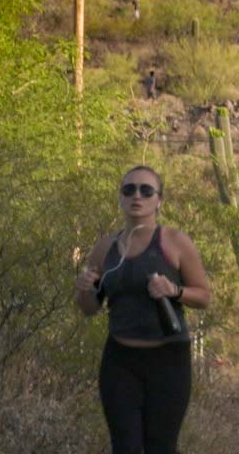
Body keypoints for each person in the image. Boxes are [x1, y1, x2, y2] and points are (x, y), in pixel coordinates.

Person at [74, 165, 212, 454]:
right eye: (129, 189)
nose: (137, 196)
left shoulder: (175, 242)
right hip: (120, 360)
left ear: (159, 200)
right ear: (121, 198)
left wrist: (174, 291)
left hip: (168, 359)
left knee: (160, 447)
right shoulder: (104, 248)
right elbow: (89, 308)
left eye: (146, 190)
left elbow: (203, 296)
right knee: (124, 447)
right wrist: (85, 287)